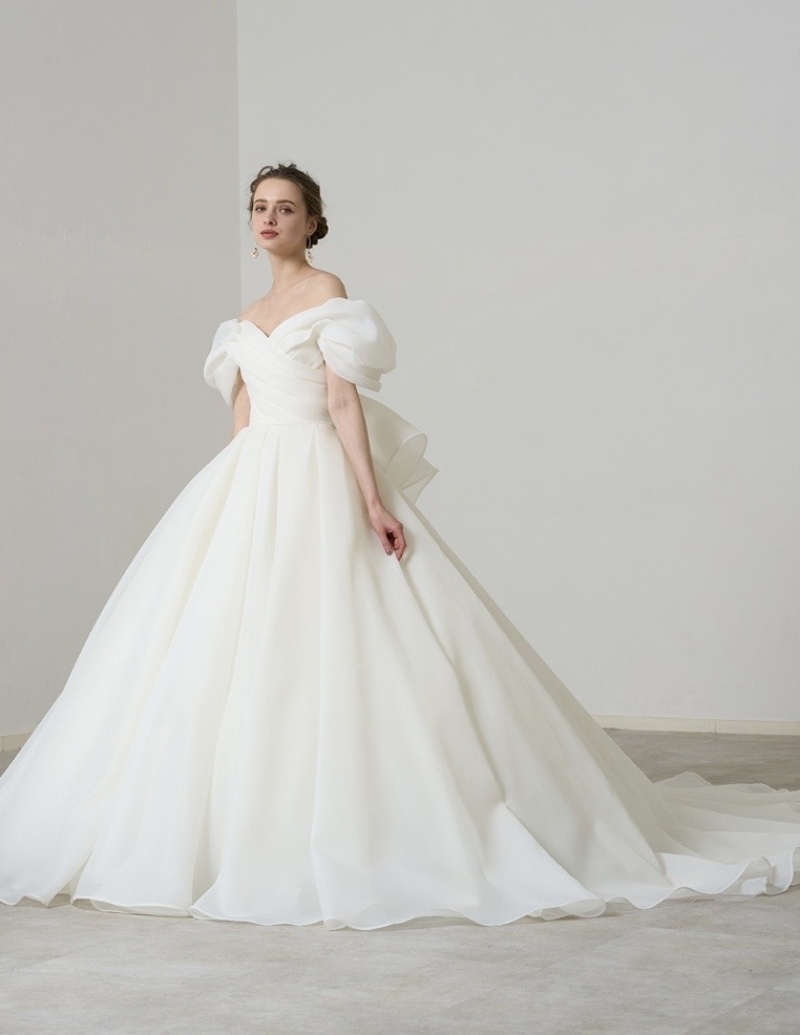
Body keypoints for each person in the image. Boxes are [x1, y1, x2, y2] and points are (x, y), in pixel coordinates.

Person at [1, 162, 798, 932]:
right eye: (260, 207)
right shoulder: (240, 320)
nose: (270, 218)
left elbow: (342, 403)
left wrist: (372, 499)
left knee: (353, 637)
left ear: (314, 221)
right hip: (251, 481)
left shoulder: (328, 294)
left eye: (285, 207)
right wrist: (227, 501)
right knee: (230, 645)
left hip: (317, 471)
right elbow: (241, 422)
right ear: (250, 224)